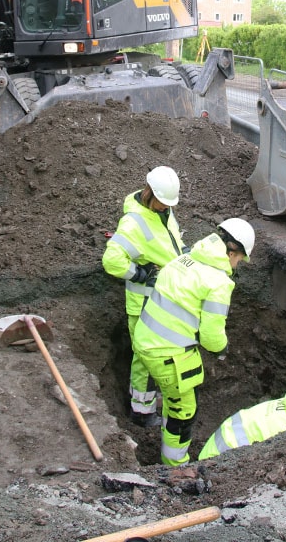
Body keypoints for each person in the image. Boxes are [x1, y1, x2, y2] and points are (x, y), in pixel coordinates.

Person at [132, 218, 256, 466]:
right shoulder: (219, 282)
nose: (238, 264)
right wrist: (222, 348)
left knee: (170, 395)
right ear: (233, 251)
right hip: (168, 354)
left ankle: (151, 419)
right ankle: (175, 467)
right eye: (240, 258)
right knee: (183, 411)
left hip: (145, 339)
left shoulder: (185, 259)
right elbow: (211, 337)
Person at [102, 166, 185, 428]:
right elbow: (111, 260)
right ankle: (141, 412)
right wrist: (138, 273)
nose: (165, 207)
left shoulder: (164, 211)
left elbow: (170, 245)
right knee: (145, 357)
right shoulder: (134, 222)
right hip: (144, 304)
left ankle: (150, 399)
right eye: (162, 202)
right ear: (150, 193)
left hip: (164, 299)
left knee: (158, 354)